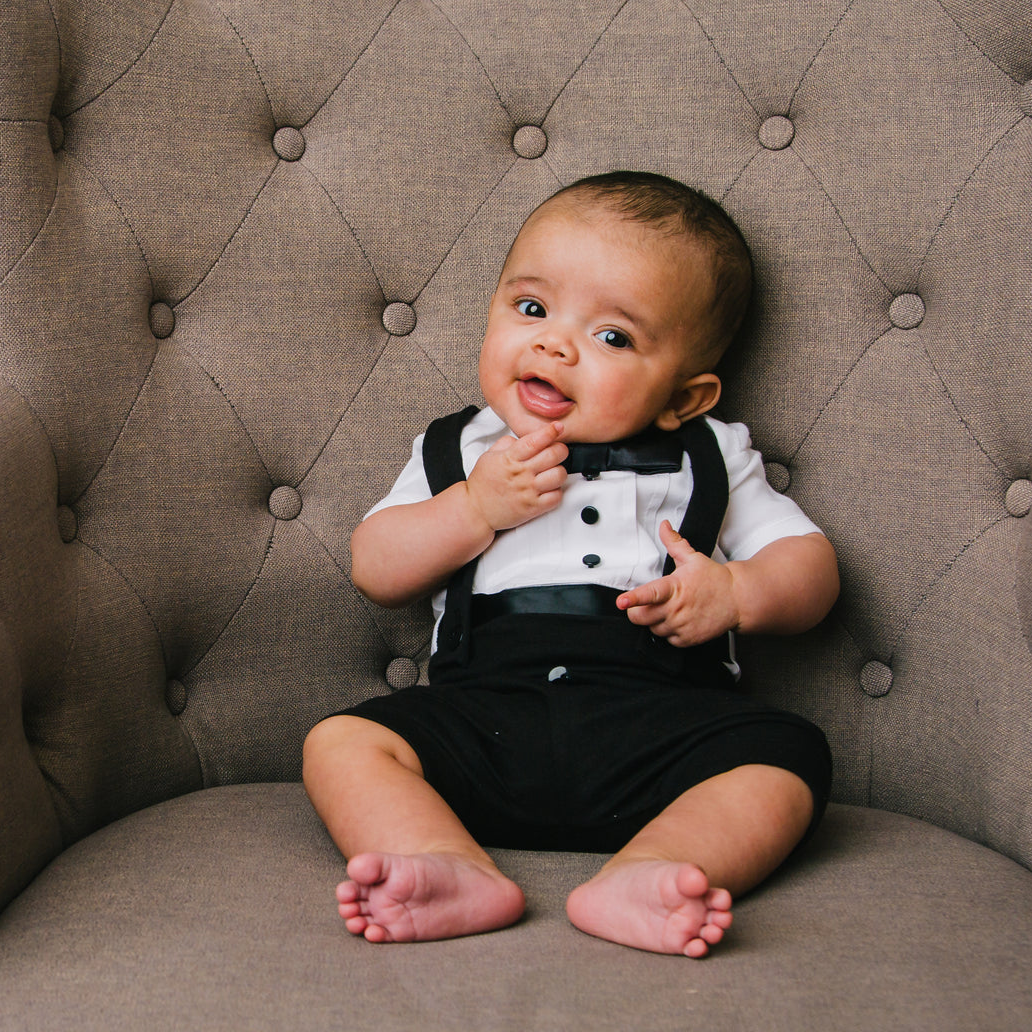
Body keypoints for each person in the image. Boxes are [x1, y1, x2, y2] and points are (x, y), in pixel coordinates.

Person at [302, 170, 839, 959]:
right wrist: (474, 510)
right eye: (530, 309)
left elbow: (812, 569)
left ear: (684, 399)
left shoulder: (709, 454)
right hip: (486, 721)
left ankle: (654, 868)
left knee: (787, 755)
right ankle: (444, 862)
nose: (553, 343)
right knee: (340, 741)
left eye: (612, 336)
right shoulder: (460, 448)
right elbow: (375, 567)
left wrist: (736, 592)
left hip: (654, 727)